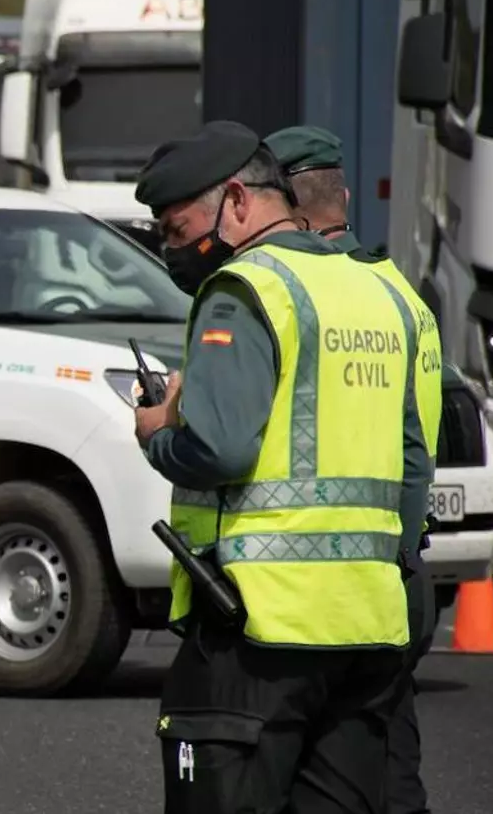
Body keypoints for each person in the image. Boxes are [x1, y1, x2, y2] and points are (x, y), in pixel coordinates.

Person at [132, 121, 427, 814]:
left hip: (260, 628)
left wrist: (158, 432)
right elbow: (413, 462)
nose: (175, 250)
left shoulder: (245, 289)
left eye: (179, 230)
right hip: (368, 627)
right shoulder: (382, 293)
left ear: (238, 200)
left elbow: (219, 450)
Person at [267, 124, 442, 814]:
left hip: (325, 581)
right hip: (399, 565)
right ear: (343, 195)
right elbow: (417, 444)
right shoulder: (400, 295)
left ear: (287, 206)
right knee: (392, 766)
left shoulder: (301, 294)